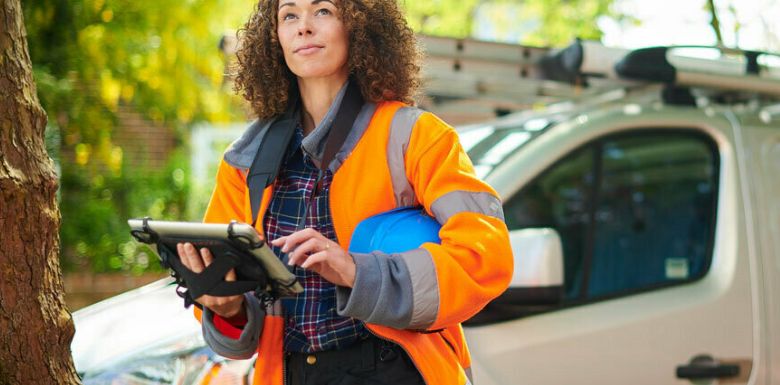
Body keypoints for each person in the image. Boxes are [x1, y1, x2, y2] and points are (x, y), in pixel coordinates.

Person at [176, 0, 514, 384]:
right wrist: (226, 306)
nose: (303, 27)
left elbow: (485, 255)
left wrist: (358, 272)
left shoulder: (416, 136)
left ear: (359, 26)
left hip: (396, 371)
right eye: (289, 15)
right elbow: (240, 328)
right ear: (275, 38)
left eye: (323, 11)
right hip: (290, 372)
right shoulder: (244, 162)